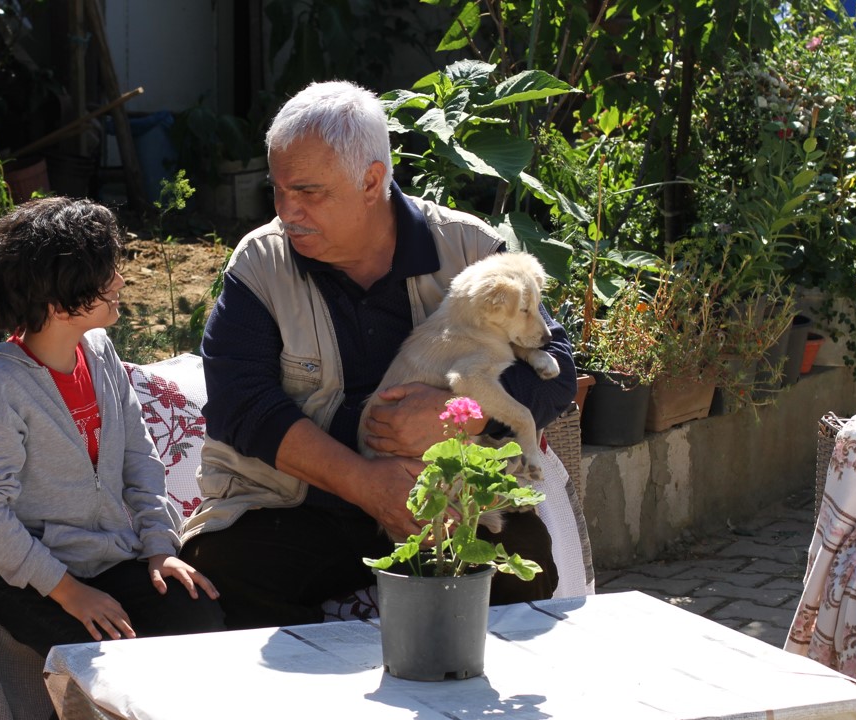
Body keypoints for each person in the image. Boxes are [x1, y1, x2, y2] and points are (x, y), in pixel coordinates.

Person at [180, 81, 578, 630]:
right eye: (278, 190)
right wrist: (366, 485)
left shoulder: (469, 247)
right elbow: (241, 405)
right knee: (222, 577)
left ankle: (459, 710)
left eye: (309, 192)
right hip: (304, 505)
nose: (286, 210)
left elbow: (557, 373)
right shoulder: (260, 264)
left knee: (521, 575)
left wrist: (458, 416)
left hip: (448, 496)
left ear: (371, 181)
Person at [0, 196, 225, 720]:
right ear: (58, 301)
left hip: (107, 555)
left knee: (196, 615)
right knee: (99, 673)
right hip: (22, 575)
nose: (121, 280)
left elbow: (140, 457)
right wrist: (69, 591)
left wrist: (158, 547)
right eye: (106, 275)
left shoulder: (99, 351)